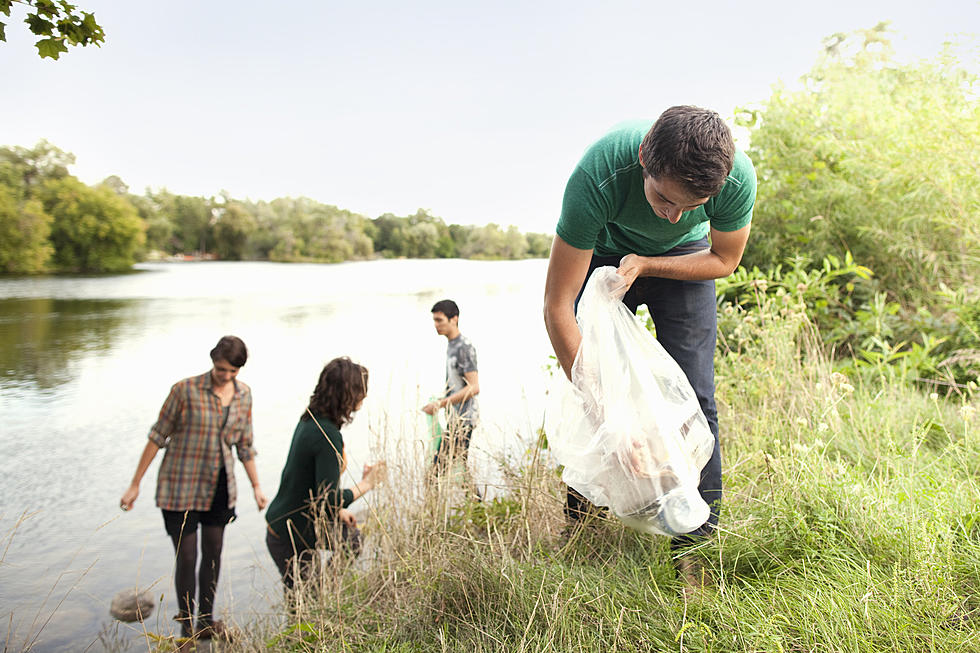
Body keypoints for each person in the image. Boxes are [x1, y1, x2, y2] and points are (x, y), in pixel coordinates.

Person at [543, 106, 756, 588]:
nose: (674, 214)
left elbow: (723, 259)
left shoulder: (734, 178)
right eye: (663, 198)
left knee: (697, 399)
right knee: (592, 388)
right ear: (644, 157)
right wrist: (611, 417)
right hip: (602, 252)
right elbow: (557, 307)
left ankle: (694, 556)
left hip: (685, 260)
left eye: (691, 205)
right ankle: (582, 534)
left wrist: (650, 263)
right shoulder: (598, 175)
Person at [119, 335, 267, 641]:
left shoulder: (244, 395)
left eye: (232, 371)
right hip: (179, 487)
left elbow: (245, 444)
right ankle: (186, 629)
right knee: (187, 557)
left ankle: (206, 622)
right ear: (213, 361)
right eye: (221, 369)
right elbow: (157, 435)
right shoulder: (184, 390)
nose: (225, 376)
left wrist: (256, 486)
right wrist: (135, 484)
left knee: (213, 553)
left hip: (220, 487)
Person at [265, 357, 386, 590]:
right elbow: (327, 500)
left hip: (289, 525)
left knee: (351, 542)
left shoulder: (311, 420)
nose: (365, 395)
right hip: (290, 534)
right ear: (348, 394)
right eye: (361, 390)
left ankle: (325, 591)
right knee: (305, 605)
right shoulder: (327, 434)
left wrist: (339, 511)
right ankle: (324, 592)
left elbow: (314, 485)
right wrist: (368, 483)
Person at [421, 299, 480, 474]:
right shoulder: (452, 345)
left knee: (436, 472)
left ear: (454, 319)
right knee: (460, 468)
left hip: (464, 420)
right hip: (456, 418)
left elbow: (474, 387)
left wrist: (441, 404)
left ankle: (475, 501)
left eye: (439, 320)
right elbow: (457, 385)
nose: (436, 325)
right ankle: (476, 501)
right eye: (434, 320)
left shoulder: (464, 347)